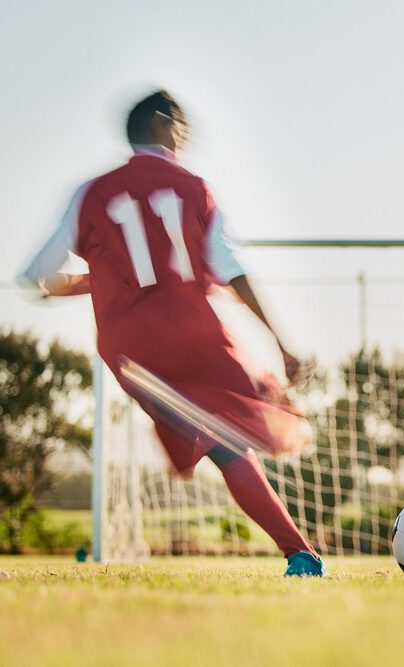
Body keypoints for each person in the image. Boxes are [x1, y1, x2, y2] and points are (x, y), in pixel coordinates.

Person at [17, 90, 325, 577]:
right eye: (181, 123)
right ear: (162, 124)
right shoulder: (194, 188)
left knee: (220, 441)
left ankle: (301, 553)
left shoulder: (90, 193)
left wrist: (85, 282)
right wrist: (280, 343)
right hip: (196, 337)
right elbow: (230, 270)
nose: (186, 134)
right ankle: (301, 556)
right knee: (229, 442)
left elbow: (34, 275)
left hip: (132, 353)